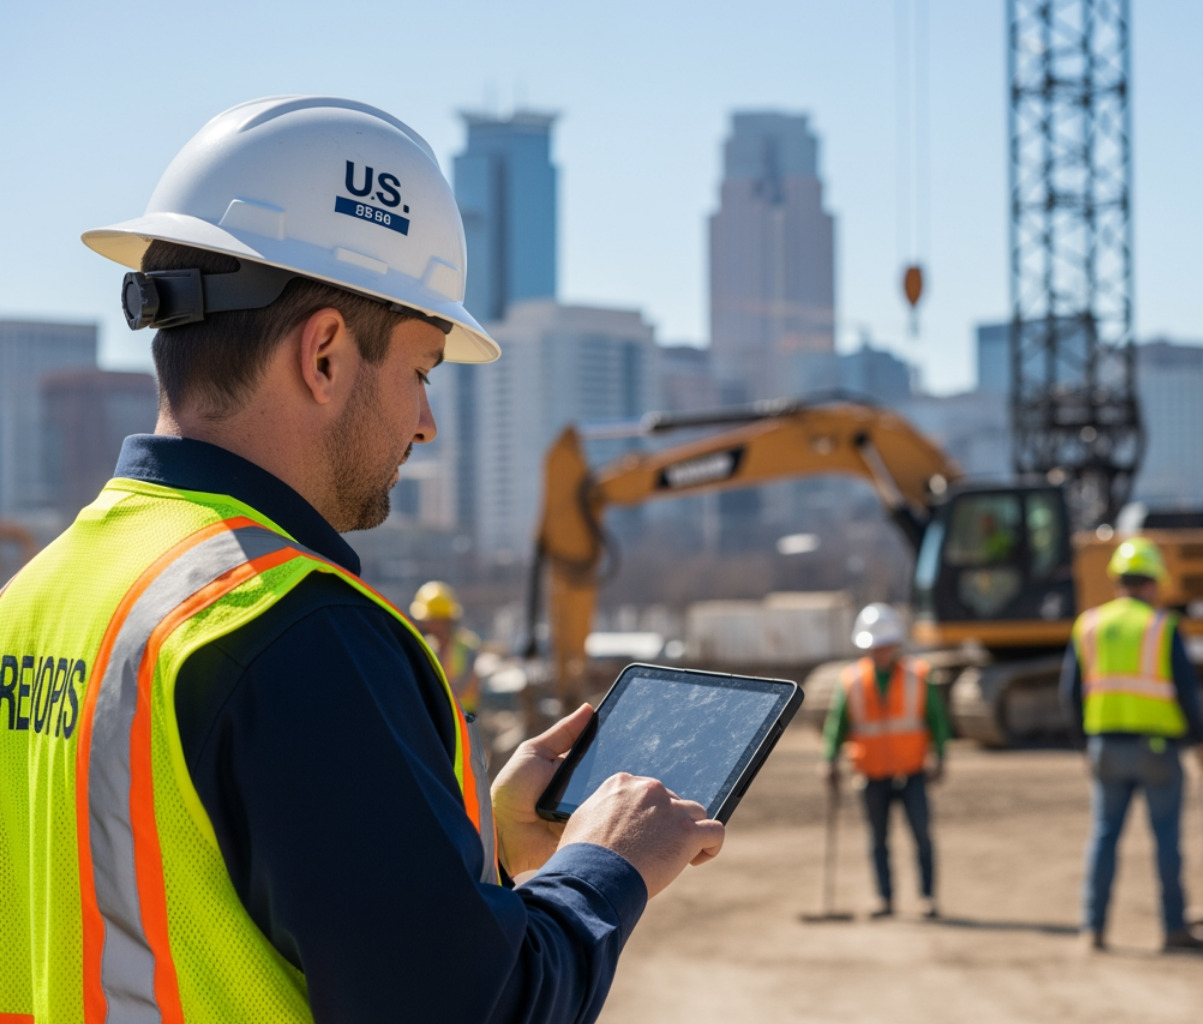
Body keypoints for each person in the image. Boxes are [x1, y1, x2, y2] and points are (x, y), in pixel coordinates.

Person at [0, 97, 724, 1024]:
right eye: (421, 371)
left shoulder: (39, 595)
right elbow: (477, 1008)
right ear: (326, 355)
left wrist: (479, 844)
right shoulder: (290, 629)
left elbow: (172, 890)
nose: (426, 422)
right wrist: (606, 866)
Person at [1060, 537, 1203, 953]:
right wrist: (1201, 742)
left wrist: (1083, 745)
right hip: (1157, 749)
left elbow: (1069, 692)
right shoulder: (1162, 627)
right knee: (1166, 840)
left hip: (1105, 747)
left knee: (1104, 837)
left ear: (1118, 581)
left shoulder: (1088, 625)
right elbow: (1187, 691)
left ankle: (1093, 928)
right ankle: (1173, 929)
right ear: (1150, 584)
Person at [821, 602, 950, 919]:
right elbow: (837, 724)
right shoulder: (851, 680)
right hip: (871, 774)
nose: (880, 652)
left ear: (895, 644)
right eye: (875, 646)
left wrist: (941, 756)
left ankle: (927, 897)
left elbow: (937, 720)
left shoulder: (918, 675)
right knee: (878, 839)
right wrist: (829, 759)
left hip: (912, 772)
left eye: (885, 645)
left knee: (921, 835)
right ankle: (885, 899)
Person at [413, 580, 483, 717]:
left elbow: (461, 688)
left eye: (428, 619)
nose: (424, 624)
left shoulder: (467, 646)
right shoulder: (427, 646)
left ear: (440, 619)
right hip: (438, 716)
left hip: (464, 718)